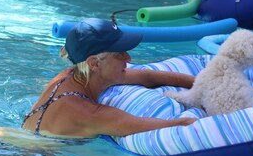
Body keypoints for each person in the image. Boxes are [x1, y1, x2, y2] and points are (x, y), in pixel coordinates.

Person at [21, 18, 198, 138]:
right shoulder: (89, 113)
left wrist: (200, 84)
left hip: (20, 140)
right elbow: (177, 125)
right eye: (119, 54)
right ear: (94, 63)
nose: (128, 58)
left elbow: (147, 76)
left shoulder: (75, 75)